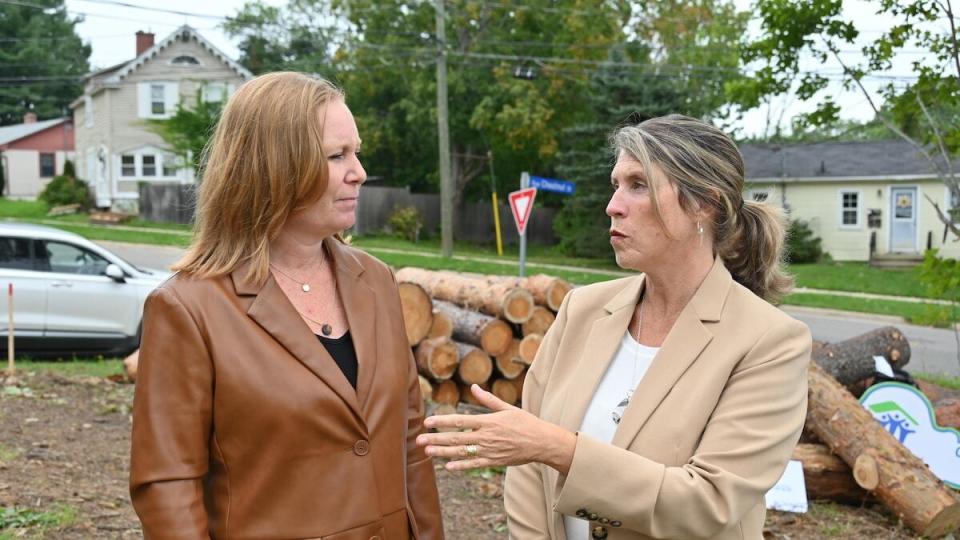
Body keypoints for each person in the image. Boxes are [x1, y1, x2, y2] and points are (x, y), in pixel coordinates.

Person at [417, 114, 812, 540]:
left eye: (638, 185)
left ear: (704, 204)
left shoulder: (770, 343)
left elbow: (706, 503)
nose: (613, 205)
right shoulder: (581, 310)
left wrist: (559, 448)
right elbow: (528, 471)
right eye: (616, 184)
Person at [130, 72, 443, 539]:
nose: (358, 171)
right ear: (274, 168)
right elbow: (167, 484)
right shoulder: (187, 308)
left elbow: (410, 441)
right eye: (337, 156)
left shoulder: (375, 280)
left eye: (356, 152)